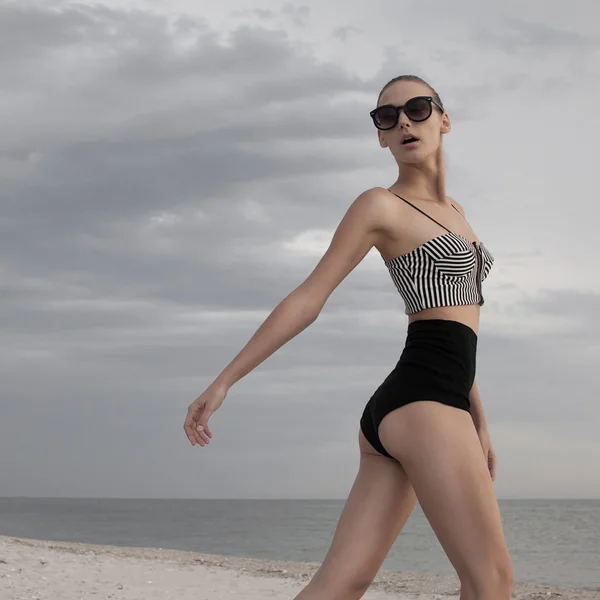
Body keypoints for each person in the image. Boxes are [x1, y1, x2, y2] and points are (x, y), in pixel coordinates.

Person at [183, 75, 514, 600]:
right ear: (381, 137)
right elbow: (308, 298)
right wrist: (225, 380)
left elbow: (457, 326)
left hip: (426, 401)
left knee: (341, 583)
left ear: (444, 119)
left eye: (418, 108)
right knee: (491, 582)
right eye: (387, 116)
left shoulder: (460, 217)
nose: (404, 121)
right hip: (423, 401)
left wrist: (480, 421)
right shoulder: (379, 206)